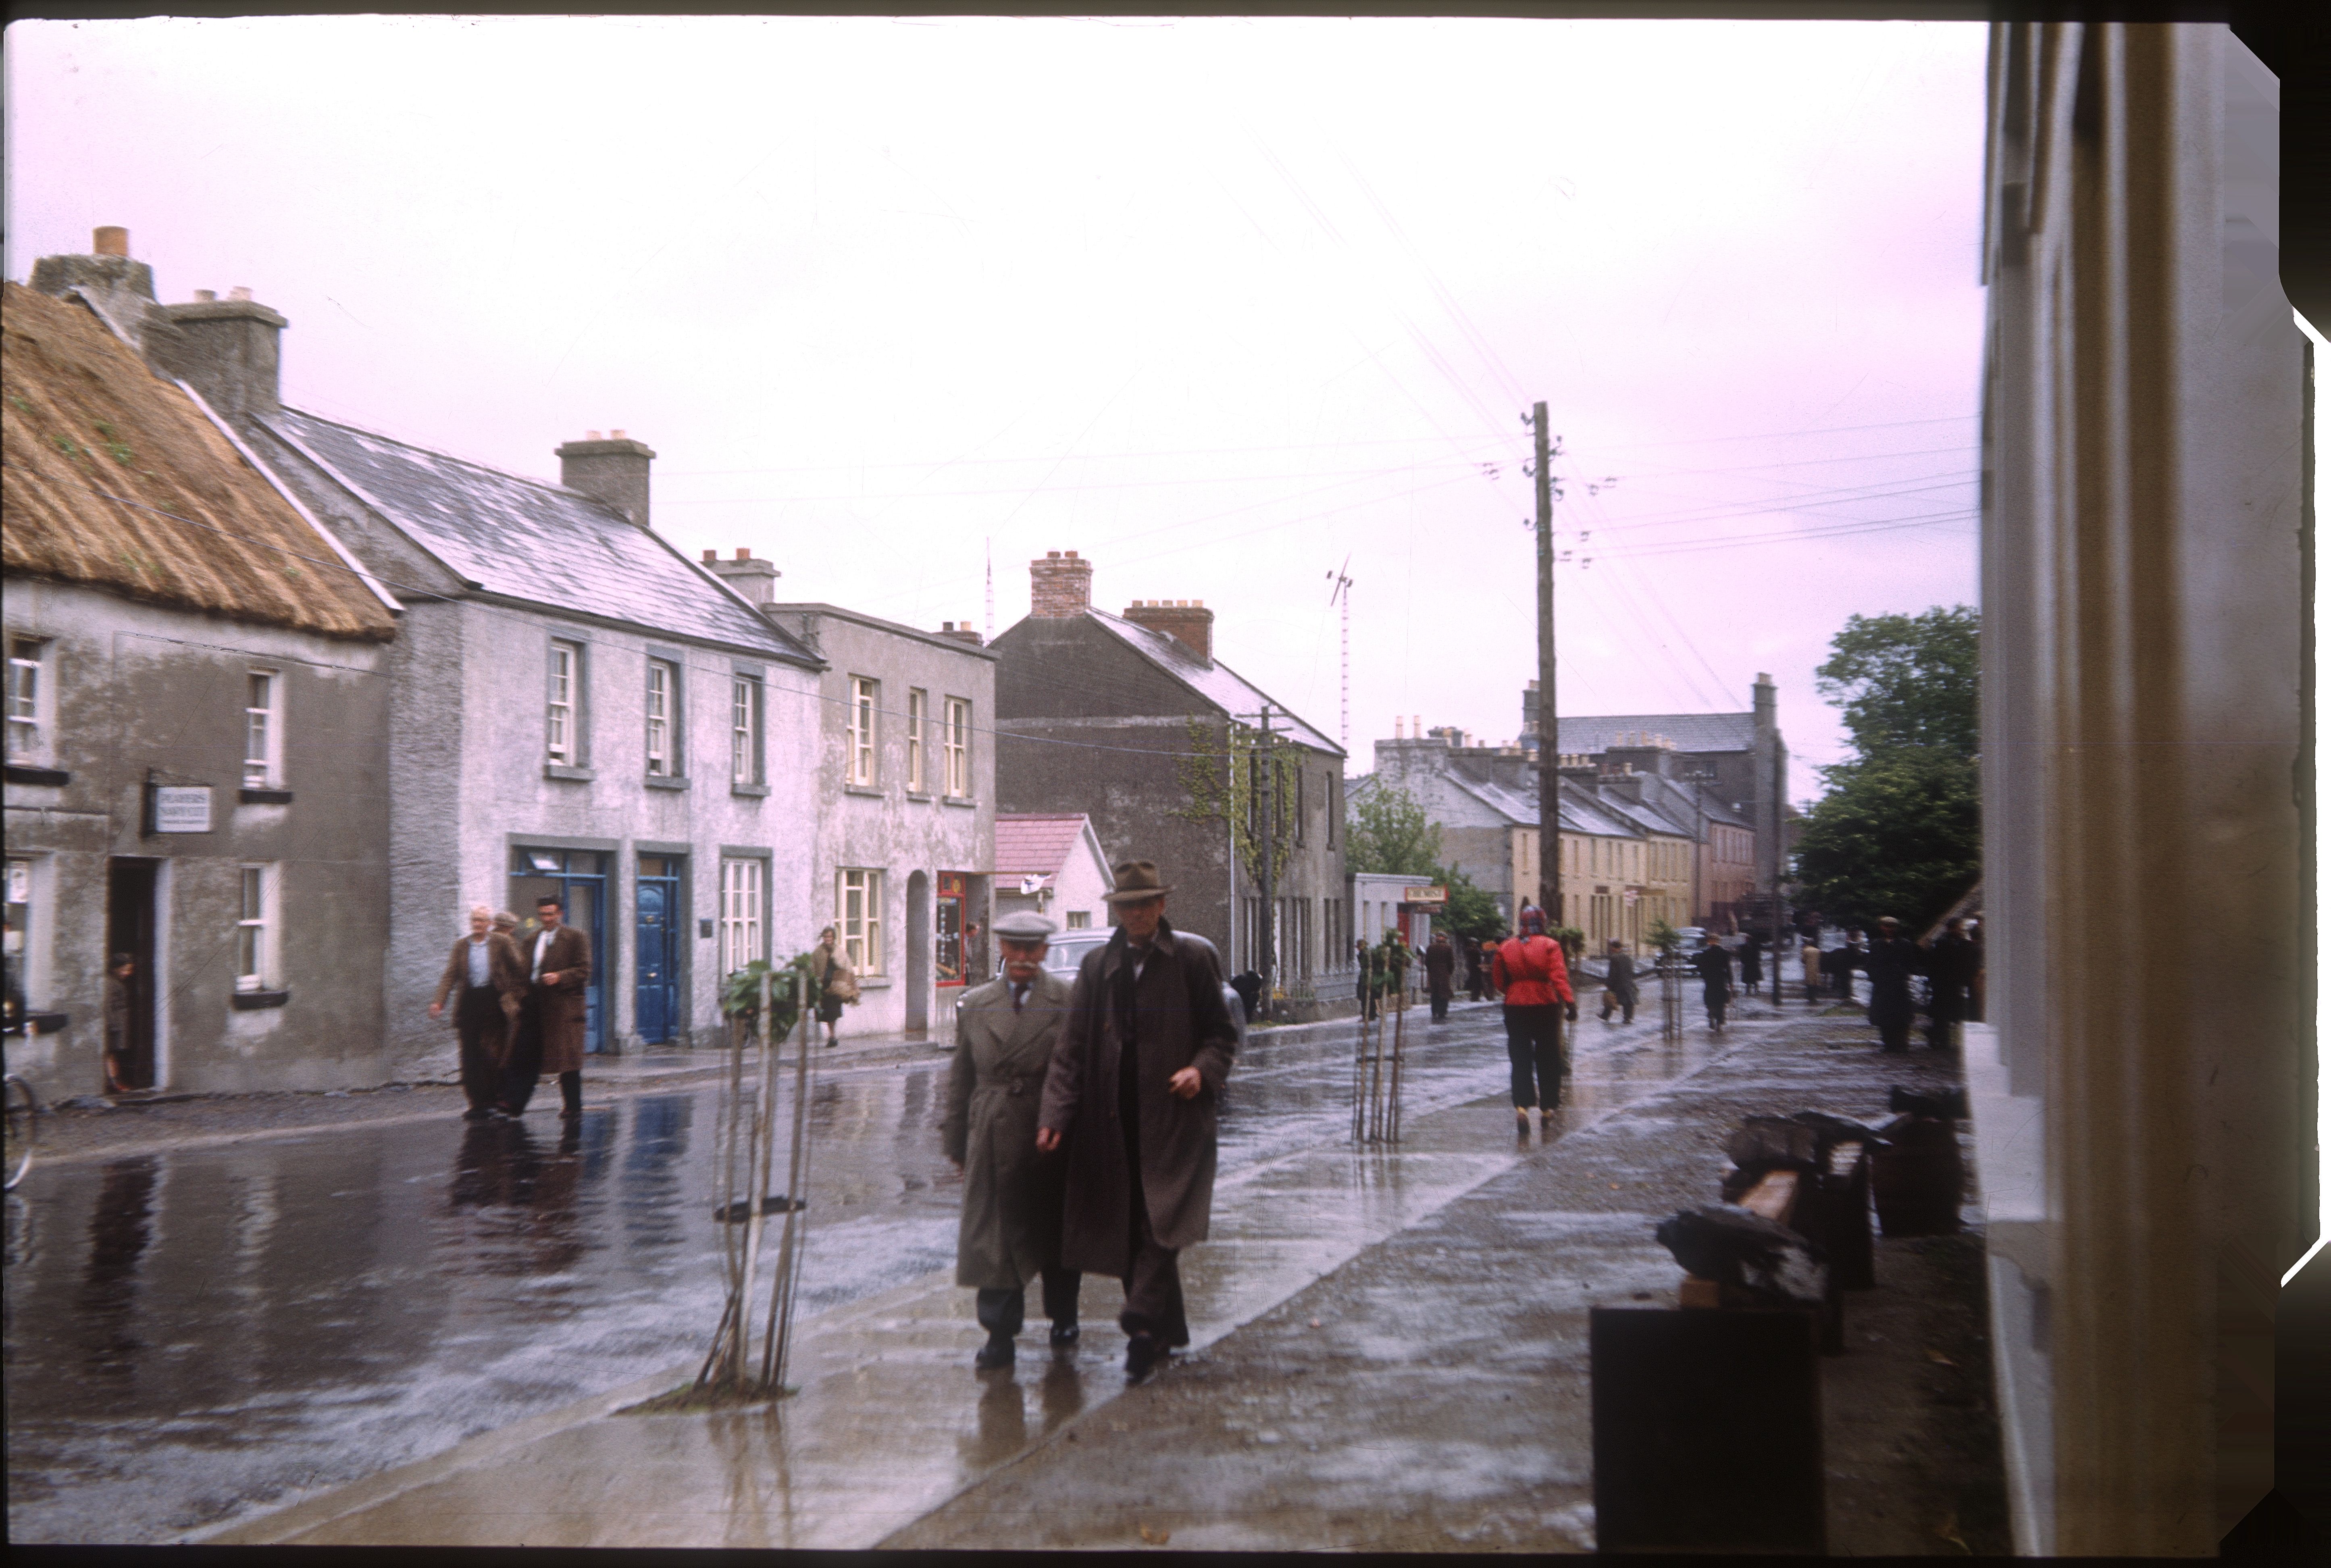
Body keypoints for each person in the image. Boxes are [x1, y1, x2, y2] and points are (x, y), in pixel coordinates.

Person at [1037, 861, 1238, 1382]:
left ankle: (1140, 1321)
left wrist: (1200, 1069)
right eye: (1127, 906)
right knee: (1128, 1225)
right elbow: (1071, 1048)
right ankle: (1164, 1333)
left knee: (1161, 1219)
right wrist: (1056, 1114)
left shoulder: (1190, 960)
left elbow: (1221, 1033)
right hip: (1111, 1120)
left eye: (1146, 904)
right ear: (1116, 912)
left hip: (1175, 1117)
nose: (1137, 914)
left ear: (1162, 906)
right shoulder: (1098, 966)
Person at [943, 910, 1082, 1370]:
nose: (1022, 958)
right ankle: (999, 1335)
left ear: (1045, 951)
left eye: (1032, 949)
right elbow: (961, 1076)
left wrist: (1070, 1124)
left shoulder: (1067, 999)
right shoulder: (976, 1003)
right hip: (993, 1129)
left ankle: (1064, 1316)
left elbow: (1080, 1069)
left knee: (1055, 1231)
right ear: (1001, 948)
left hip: (1050, 1128)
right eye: (1014, 948)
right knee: (994, 1238)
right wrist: (958, 1144)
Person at [429, 904, 528, 1120]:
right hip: (470, 1004)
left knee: (493, 1054)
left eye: (482, 920)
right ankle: (477, 1103)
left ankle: (493, 1100)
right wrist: (439, 1002)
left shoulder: (502, 943)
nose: (477, 924)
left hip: (495, 1003)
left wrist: (515, 996)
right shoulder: (461, 946)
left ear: (490, 924)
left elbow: (521, 969)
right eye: (474, 920)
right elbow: (450, 975)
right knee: (470, 1055)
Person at [502, 893, 590, 1119]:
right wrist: (520, 996)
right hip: (534, 1005)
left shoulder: (576, 938)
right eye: (542, 915)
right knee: (524, 1054)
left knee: (567, 1060)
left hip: (563, 1008)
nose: (546, 919)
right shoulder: (531, 940)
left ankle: (573, 1107)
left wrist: (560, 977)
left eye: (551, 914)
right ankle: (514, 1104)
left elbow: (584, 971)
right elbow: (522, 974)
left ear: (560, 914)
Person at [1492, 905, 1573, 1134]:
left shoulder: (1506, 947)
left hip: (1515, 1005)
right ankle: (1548, 1108)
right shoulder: (1550, 946)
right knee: (1548, 1057)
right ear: (1543, 922)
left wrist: (1512, 990)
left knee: (1520, 1057)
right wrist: (1569, 1002)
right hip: (1545, 1004)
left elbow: (1499, 979)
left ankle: (1522, 1107)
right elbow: (1558, 976)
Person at [1863, 916, 1923, 1054]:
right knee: (1884, 1016)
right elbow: (1870, 965)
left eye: (1893, 927)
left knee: (1900, 1016)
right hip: (1882, 986)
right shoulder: (1876, 945)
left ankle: (1900, 1043)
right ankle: (1888, 1043)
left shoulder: (1905, 945)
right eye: (1887, 927)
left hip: (1899, 986)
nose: (1890, 930)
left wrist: (1904, 974)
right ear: (1881, 928)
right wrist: (1876, 978)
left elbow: (1912, 965)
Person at [1922, 916, 1977, 1050]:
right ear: (1950, 929)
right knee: (1941, 1014)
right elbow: (1933, 964)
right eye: (1958, 928)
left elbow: (1968, 964)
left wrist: (1966, 980)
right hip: (1942, 984)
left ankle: (1935, 1034)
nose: (1960, 930)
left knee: (1954, 1013)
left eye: (1961, 928)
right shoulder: (1941, 944)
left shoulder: (1965, 944)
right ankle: (1941, 1039)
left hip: (1956, 984)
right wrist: (1934, 980)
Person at [810, 925, 850, 1046]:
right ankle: (832, 1036)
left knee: (834, 1012)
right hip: (824, 986)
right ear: (823, 938)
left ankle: (832, 1036)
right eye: (826, 937)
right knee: (826, 1013)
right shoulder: (818, 952)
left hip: (836, 986)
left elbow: (846, 966)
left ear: (834, 938)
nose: (828, 939)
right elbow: (813, 968)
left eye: (830, 937)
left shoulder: (839, 951)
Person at [102, 953, 135, 1094]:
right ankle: (114, 1083)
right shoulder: (110, 983)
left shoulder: (115, 982)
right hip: (114, 1023)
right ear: (116, 968)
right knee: (111, 1053)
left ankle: (114, 1082)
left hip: (119, 1022)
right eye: (125, 969)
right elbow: (108, 1005)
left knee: (113, 1053)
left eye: (129, 970)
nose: (128, 973)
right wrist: (113, 1025)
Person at [1692, 933, 1735, 1031]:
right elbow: (1728, 968)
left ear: (1709, 942)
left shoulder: (1705, 954)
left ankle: (1711, 1013)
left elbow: (1700, 968)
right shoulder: (1724, 953)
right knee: (1721, 1001)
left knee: (1710, 999)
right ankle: (1719, 1022)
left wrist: (1705, 976)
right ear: (1718, 942)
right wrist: (1731, 982)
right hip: (1720, 979)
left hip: (1710, 980)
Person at [1598, 939, 1637, 1024]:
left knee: (1610, 999)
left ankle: (1605, 1016)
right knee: (1628, 1001)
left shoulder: (1614, 958)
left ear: (1614, 948)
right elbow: (1631, 971)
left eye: (1612, 948)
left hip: (1617, 984)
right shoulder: (1628, 958)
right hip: (1628, 983)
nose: (1611, 950)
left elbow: (1612, 973)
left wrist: (1609, 984)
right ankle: (1628, 1018)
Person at [1423, 932, 1457, 1022]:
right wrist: (1449, 972)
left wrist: (1431, 970)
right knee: (1444, 993)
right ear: (1445, 939)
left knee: (1435, 992)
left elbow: (1427, 962)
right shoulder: (1448, 948)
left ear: (1437, 938)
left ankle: (1434, 1011)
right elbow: (1451, 962)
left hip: (1434, 973)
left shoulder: (1430, 947)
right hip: (1444, 973)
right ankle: (1442, 1012)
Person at [1353, 936, 1377, 1022]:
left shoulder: (1364, 953)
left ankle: (1366, 1015)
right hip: (1370, 976)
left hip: (1366, 976)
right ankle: (1372, 1014)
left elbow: (1364, 964)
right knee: (1371, 997)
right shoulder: (1369, 952)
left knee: (1364, 996)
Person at [1800, 931, 1825, 1006]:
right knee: (1816, 981)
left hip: (1809, 968)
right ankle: (1814, 996)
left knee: (1809, 982)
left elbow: (1803, 960)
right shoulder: (1818, 951)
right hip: (1817, 969)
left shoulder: (1805, 950)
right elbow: (1820, 959)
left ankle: (1810, 996)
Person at [1739, 930, 1765, 997]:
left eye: (1748, 939)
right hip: (1748, 964)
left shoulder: (1755, 945)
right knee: (1748, 979)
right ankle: (1748, 990)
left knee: (1755, 979)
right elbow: (1742, 955)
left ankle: (1756, 989)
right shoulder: (1744, 946)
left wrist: (1757, 960)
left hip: (1753, 964)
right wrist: (1743, 961)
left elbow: (1757, 954)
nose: (1747, 940)